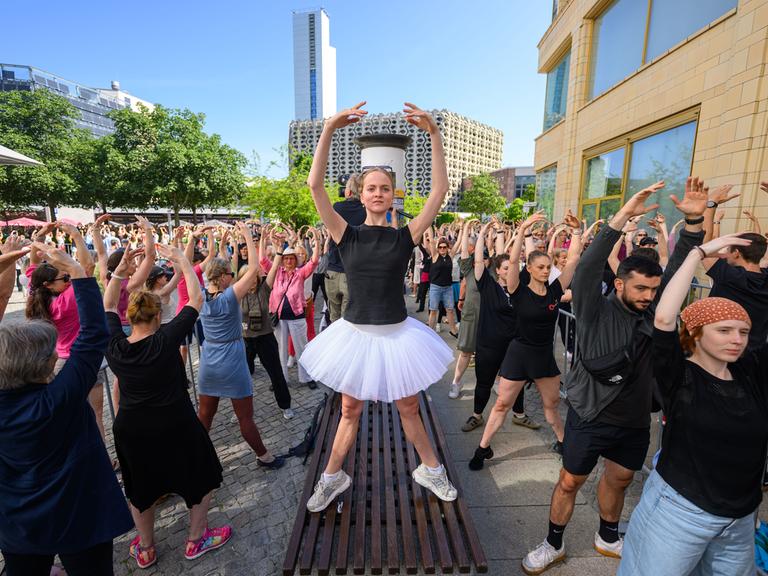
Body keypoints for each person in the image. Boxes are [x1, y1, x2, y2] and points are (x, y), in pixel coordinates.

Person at [522, 178, 709, 574]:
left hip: (634, 420)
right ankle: (552, 543)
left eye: (653, 289)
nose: (648, 296)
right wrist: (623, 215)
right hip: (590, 415)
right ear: (619, 283)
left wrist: (693, 223)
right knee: (570, 482)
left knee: (621, 478)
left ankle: (607, 534)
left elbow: (677, 269)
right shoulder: (594, 308)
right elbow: (589, 265)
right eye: (640, 288)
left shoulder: (653, 313)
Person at [301, 102, 457, 512]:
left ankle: (431, 469)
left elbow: (439, 191)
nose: (377, 193)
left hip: (397, 333)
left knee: (408, 406)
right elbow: (315, 186)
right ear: (360, 194)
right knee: (349, 408)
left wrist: (435, 136)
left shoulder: (405, 235)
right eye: (371, 188)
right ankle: (333, 477)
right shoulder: (344, 234)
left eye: (384, 188)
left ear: (392, 195)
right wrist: (330, 127)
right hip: (355, 334)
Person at [619, 234, 765, 576]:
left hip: (741, 520)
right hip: (679, 514)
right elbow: (665, 319)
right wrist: (698, 252)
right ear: (695, 332)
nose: (737, 340)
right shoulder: (679, 375)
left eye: (743, 332)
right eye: (725, 330)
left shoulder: (750, 373)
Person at [0, 244, 132, 576]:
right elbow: (93, 336)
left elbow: (90, 337)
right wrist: (77, 269)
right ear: (44, 363)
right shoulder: (61, 397)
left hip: (19, 524)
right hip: (78, 517)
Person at [105, 245, 229, 568]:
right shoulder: (166, 338)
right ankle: (196, 538)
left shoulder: (116, 348)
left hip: (132, 428)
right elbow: (196, 300)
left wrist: (119, 273)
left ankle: (145, 548)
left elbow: (106, 304)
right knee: (201, 475)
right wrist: (184, 261)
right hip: (175, 422)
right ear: (158, 316)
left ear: (130, 318)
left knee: (139, 488)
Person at [469, 210, 582, 470]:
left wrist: (576, 232)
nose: (545, 271)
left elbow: (574, 259)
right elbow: (513, 257)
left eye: (547, 267)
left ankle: (563, 443)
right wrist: (521, 232)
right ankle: (482, 448)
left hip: (543, 356)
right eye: (540, 267)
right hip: (519, 354)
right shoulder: (516, 290)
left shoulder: (555, 290)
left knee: (551, 407)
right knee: (501, 405)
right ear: (528, 268)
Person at [196, 224, 284, 469]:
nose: (233, 277)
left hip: (209, 360)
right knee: (245, 417)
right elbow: (254, 268)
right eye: (230, 274)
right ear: (223, 276)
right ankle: (264, 456)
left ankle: (196, 458)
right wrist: (247, 235)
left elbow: (189, 269)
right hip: (232, 361)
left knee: (204, 417)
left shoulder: (200, 297)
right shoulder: (230, 296)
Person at [25, 222, 109, 444]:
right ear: (50, 284)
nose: (69, 280)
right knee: (95, 415)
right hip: (82, 360)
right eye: (65, 278)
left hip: (59, 361)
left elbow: (34, 263)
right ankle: (103, 458)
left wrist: (40, 238)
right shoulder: (64, 302)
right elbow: (86, 268)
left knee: (71, 415)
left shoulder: (36, 294)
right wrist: (76, 235)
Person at [239, 255, 294, 420]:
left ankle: (286, 405)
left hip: (265, 338)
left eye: (255, 278)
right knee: (241, 377)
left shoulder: (264, 289)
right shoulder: (238, 293)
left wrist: (278, 253)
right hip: (246, 339)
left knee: (276, 374)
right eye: (250, 279)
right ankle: (241, 410)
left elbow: (274, 268)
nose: (254, 281)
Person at [264, 230, 320, 389]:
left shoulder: (300, 273)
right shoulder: (276, 272)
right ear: (282, 260)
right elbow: (262, 260)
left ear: (296, 260)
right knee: (281, 350)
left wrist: (316, 241)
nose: (288, 261)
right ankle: (281, 380)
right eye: (286, 258)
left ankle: (306, 378)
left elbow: (315, 261)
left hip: (297, 316)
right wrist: (263, 239)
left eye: (291, 258)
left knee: (302, 347)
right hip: (280, 318)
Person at [324, 173, 366, 323]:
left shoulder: (337, 207)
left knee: (333, 318)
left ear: (347, 192)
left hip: (333, 270)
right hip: (353, 272)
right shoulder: (366, 212)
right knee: (348, 320)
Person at [449, 221, 479, 399]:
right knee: (466, 352)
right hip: (471, 314)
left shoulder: (491, 269)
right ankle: (456, 382)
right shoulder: (469, 268)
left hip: (489, 317)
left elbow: (500, 251)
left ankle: (496, 381)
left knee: (491, 352)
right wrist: (466, 229)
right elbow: (465, 251)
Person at [424, 229, 458, 336]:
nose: (442, 249)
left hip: (448, 287)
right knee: (433, 310)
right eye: (440, 247)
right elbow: (432, 242)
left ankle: (453, 330)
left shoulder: (450, 256)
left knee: (450, 310)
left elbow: (458, 243)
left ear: (448, 248)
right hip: (435, 287)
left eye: (444, 247)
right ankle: (430, 332)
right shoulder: (435, 255)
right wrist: (429, 226)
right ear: (437, 248)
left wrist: (462, 229)